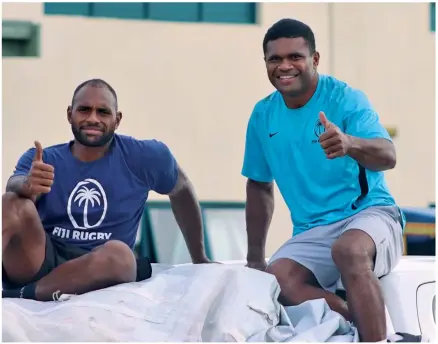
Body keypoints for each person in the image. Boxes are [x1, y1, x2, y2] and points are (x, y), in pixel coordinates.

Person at [242, 19, 405, 342]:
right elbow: (259, 186)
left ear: (314, 59)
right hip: (312, 231)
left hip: (370, 215)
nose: (285, 66)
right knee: (277, 279)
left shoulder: (345, 99)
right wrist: (254, 259)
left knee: (348, 251)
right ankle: (354, 317)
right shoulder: (262, 115)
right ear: (265, 63)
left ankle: (379, 340)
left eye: (295, 57)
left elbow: (389, 155)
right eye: (275, 59)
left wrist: (350, 143)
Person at [3, 78, 211, 302]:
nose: (93, 118)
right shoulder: (45, 159)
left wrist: (199, 258)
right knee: (12, 201)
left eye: (103, 112)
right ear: (69, 114)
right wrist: (27, 185)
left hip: (100, 266)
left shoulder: (145, 157)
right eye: (84, 110)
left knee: (121, 256)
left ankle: (23, 295)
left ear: (117, 119)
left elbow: (181, 189)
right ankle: (41, 288)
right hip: (42, 259)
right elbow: (13, 190)